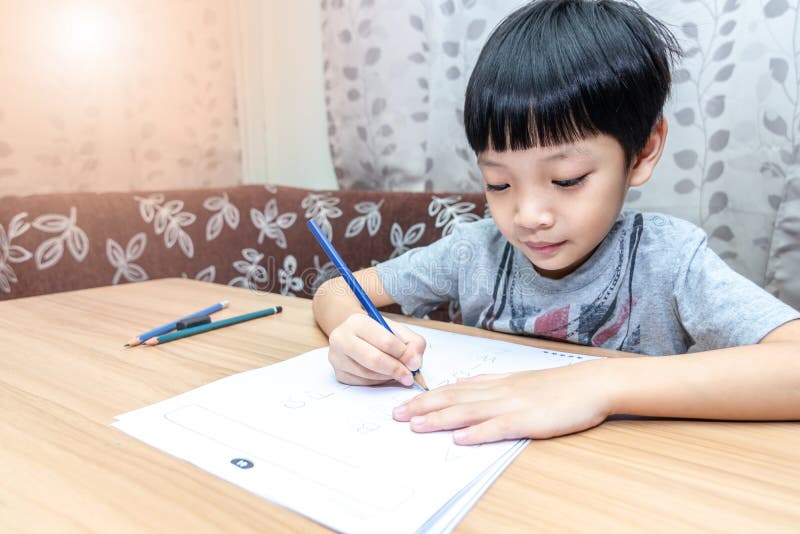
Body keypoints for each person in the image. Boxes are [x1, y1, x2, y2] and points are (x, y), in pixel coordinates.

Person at [312, 0, 800, 445]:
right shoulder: (477, 251)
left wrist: (597, 383)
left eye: (566, 180)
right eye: (499, 184)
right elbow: (335, 292)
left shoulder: (667, 259)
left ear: (644, 151)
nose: (527, 217)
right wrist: (353, 334)